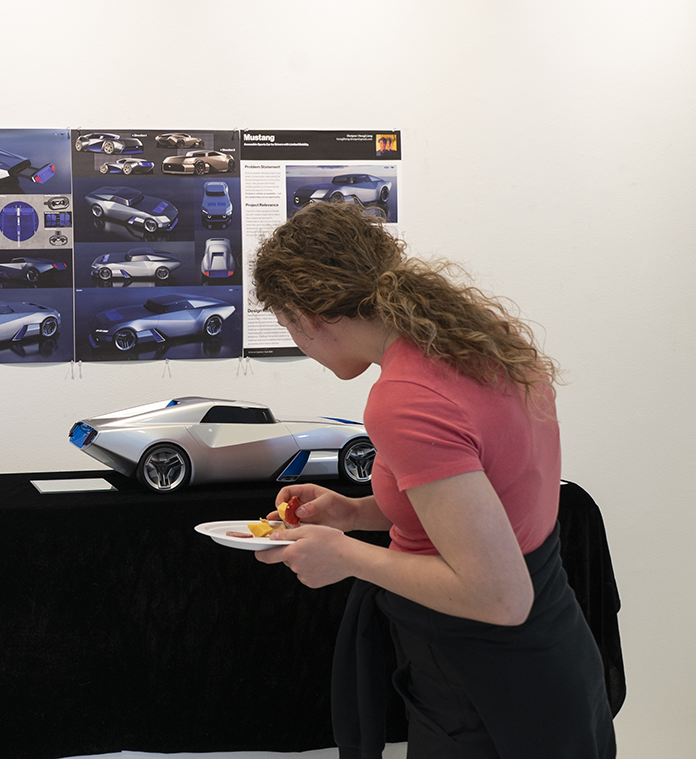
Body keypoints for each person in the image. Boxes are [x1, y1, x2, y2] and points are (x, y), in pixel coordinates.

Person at [249, 201, 615, 758]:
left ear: (307, 316)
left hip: (486, 673)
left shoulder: (404, 397)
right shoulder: (480, 339)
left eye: (287, 328)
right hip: (549, 653)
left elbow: (500, 596)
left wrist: (345, 556)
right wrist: (354, 513)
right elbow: (484, 498)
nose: (300, 346)